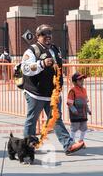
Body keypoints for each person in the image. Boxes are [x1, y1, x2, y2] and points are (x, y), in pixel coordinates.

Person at [21, 24, 84, 155]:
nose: (48, 36)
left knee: (56, 119)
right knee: (32, 120)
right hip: (35, 93)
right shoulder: (32, 51)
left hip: (53, 94)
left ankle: (68, 145)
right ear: (38, 36)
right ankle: (28, 147)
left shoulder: (55, 49)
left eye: (49, 33)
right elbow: (25, 69)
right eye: (44, 33)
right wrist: (41, 64)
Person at [67, 72, 91, 147]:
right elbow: (69, 103)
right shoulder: (72, 91)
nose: (82, 81)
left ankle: (81, 141)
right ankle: (72, 142)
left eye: (82, 79)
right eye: (79, 80)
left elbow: (85, 102)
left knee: (84, 128)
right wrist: (74, 110)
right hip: (75, 114)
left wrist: (88, 110)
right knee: (74, 128)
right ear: (74, 82)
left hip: (83, 113)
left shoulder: (84, 90)